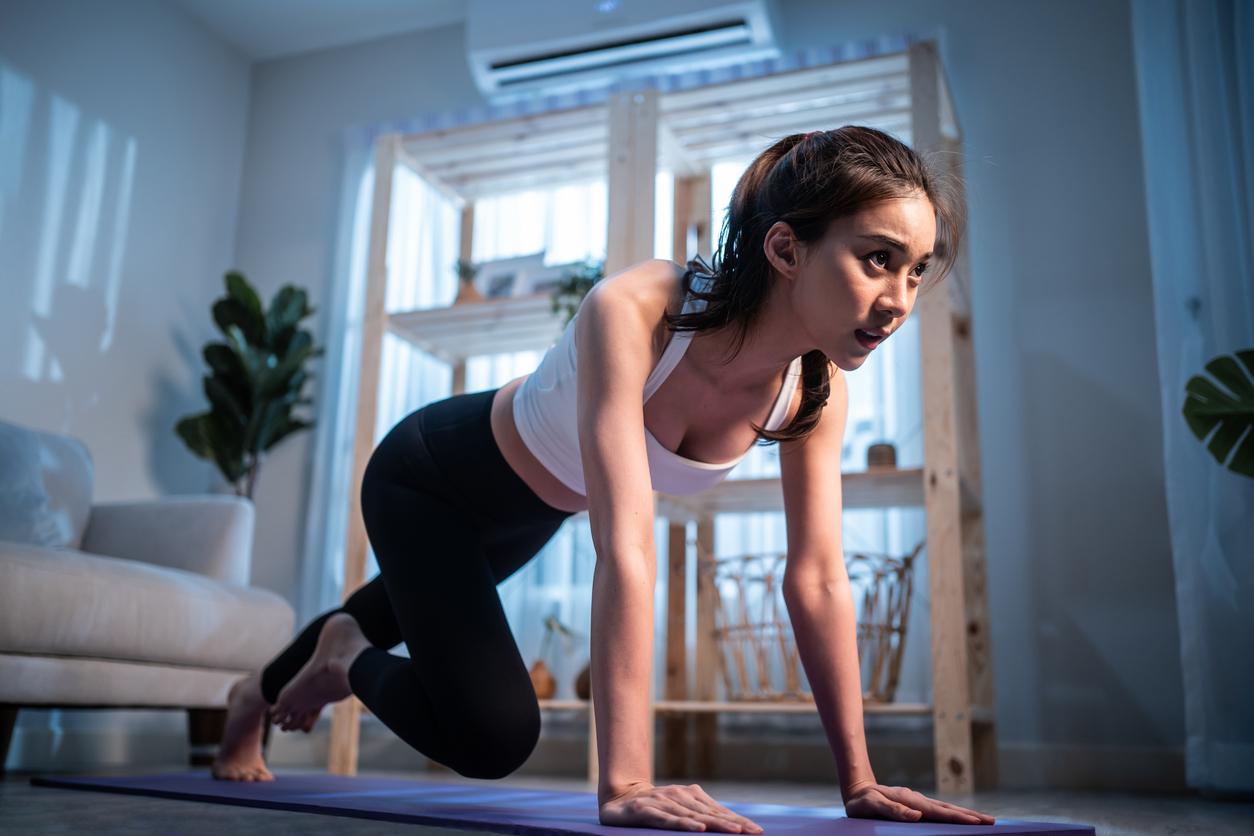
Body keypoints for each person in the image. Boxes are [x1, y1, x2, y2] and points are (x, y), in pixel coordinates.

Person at [211, 125, 996, 829]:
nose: (899, 300)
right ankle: (344, 660)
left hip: (530, 513)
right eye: (877, 259)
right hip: (428, 479)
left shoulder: (817, 393)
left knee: (393, 608)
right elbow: (626, 549)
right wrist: (624, 782)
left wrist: (857, 781)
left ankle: (253, 696)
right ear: (787, 250)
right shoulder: (639, 308)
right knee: (493, 736)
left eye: (918, 271)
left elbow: (819, 579)